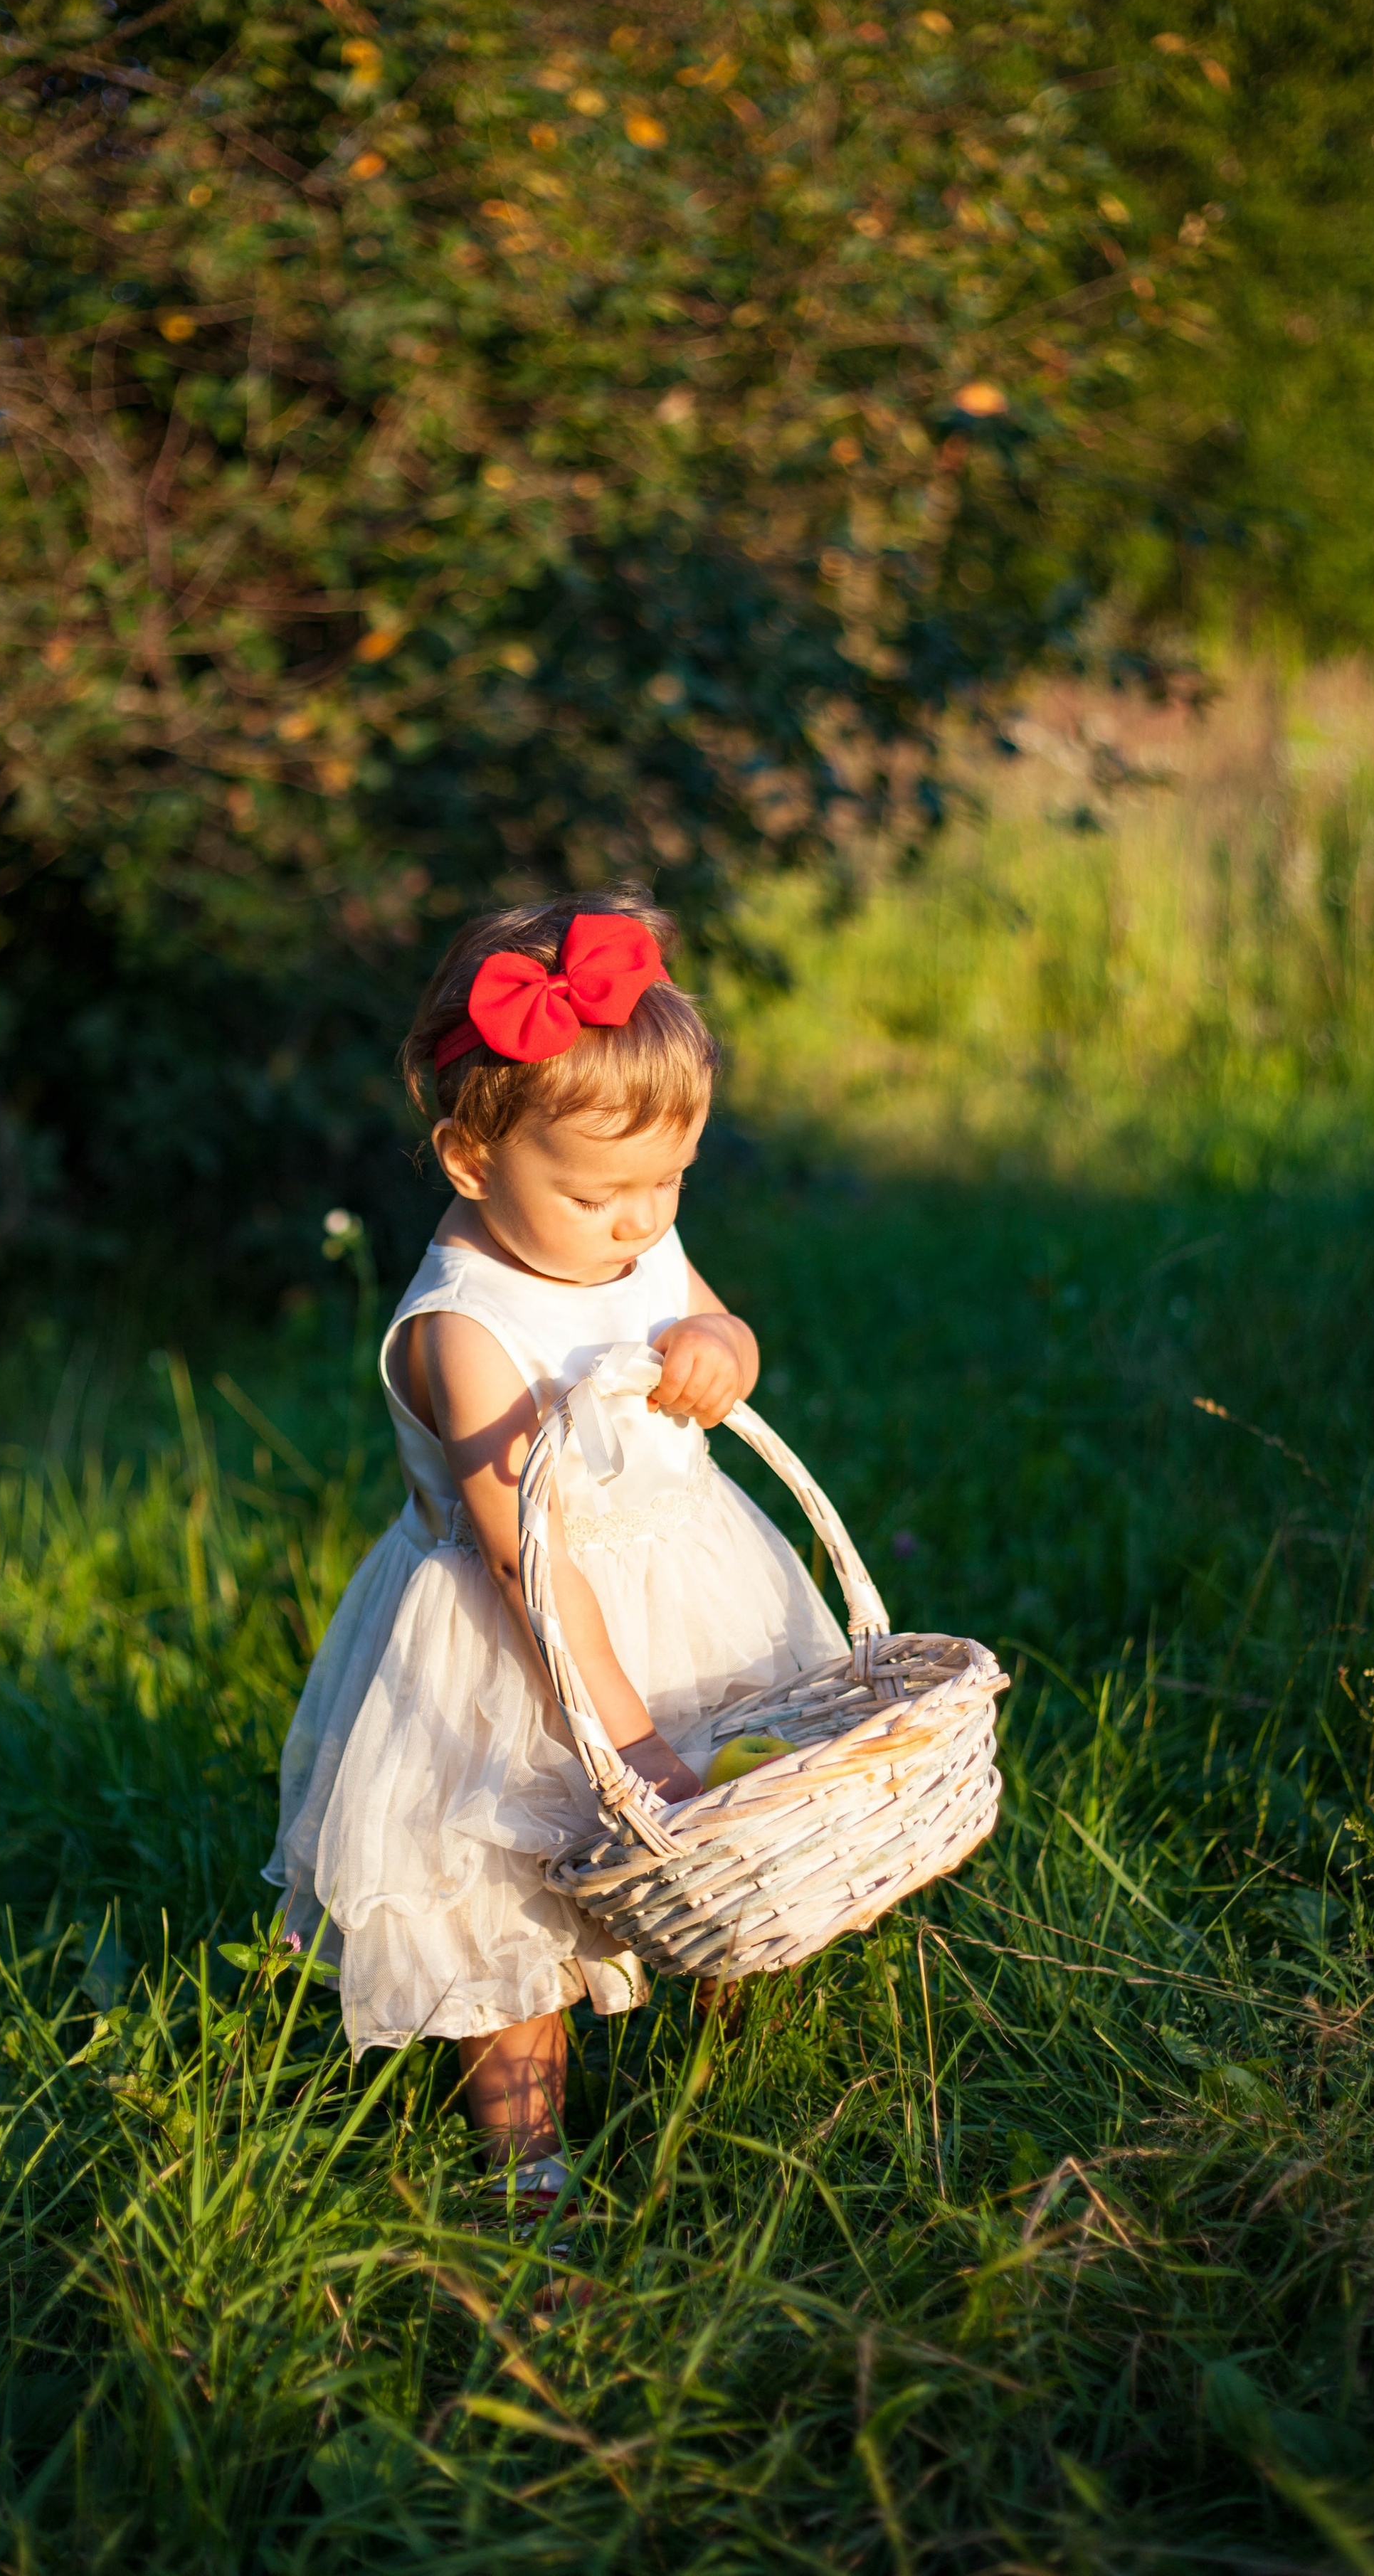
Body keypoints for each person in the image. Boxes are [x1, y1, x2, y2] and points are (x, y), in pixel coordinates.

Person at [264, 889, 845, 2191]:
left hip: (685, 1583)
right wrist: (620, 1738)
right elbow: (529, 1555)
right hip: (522, 1643)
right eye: (601, 1195)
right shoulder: (465, 1328)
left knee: (732, 1830)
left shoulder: (637, 1228)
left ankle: (728, 2071)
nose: (642, 1221)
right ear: (473, 1162)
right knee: (509, 1905)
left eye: (670, 1182)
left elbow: (728, 1340)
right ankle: (526, 2163)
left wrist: (715, 1350)